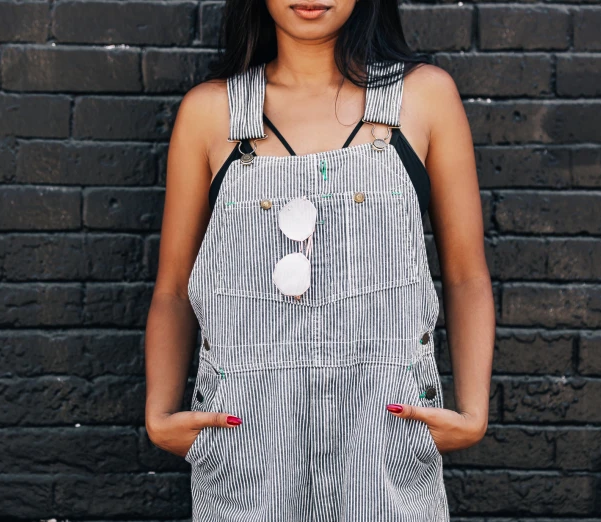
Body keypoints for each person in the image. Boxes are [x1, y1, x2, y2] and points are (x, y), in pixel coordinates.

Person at [144, 0, 495, 520]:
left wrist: (473, 412)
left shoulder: (422, 99)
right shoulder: (212, 113)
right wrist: (159, 413)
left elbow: (465, 275)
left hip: (383, 437)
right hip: (249, 444)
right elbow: (174, 288)